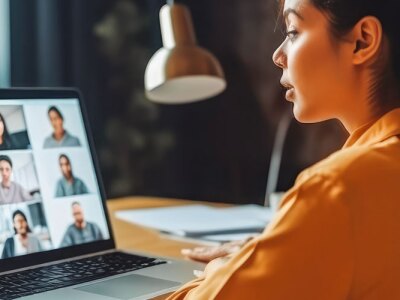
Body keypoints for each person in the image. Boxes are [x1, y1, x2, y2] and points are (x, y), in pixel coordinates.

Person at [168, 0, 400, 299]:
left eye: (292, 32)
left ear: (362, 41)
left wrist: (226, 269)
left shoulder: (336, 191)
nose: (278, 56)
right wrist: (281, 251)